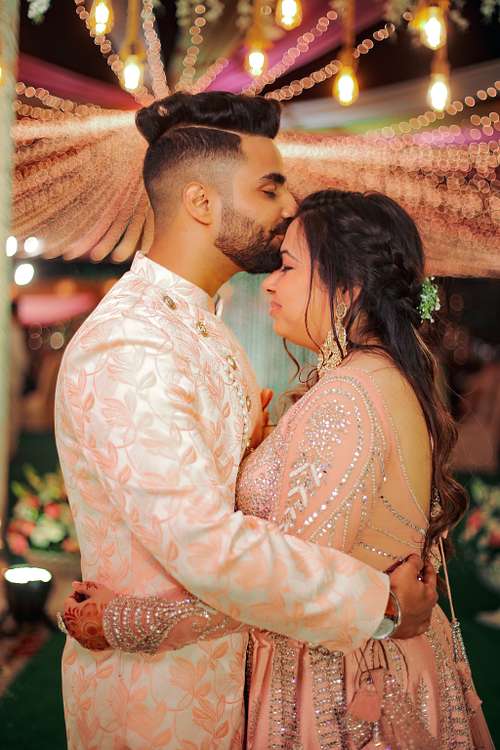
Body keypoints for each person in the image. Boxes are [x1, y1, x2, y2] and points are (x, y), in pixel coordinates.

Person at [55, 93, 436, 749]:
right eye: (270, 188)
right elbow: (204, 544)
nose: (289, 208)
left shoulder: (211, 332)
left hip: (241, 683)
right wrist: (379, 604)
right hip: (158, 701)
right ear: (201, 202)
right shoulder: (131, 345)